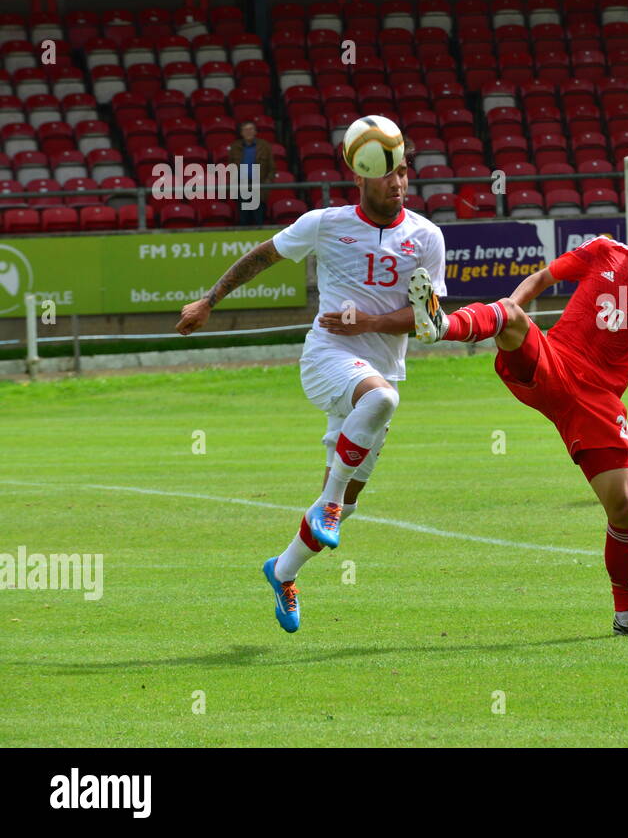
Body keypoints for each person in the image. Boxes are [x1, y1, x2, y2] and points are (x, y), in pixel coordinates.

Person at [407, 187, 628, 635]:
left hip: (598, 401)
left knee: (624, 509)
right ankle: (441, 324)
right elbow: (543, 278)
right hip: (553, 363)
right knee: (511, 314)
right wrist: (509, 311)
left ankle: (627, 616)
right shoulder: (605, 251)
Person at [175, 146, 446, 633]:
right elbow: (264, 255)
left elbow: (427, 316)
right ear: (362, 177)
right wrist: (209, 301)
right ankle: (329, 504)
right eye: (388, 174)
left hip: (382, 367)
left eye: (403, 171)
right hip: (328, 358)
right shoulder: (325, 222)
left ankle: (282, 572)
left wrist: (374, 322)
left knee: (347, 504)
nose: (399, 182)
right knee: (379, 404)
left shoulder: (427, 236)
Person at [227, 120, 274, 226]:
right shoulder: (235, 147)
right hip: (241, 187)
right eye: (245, 130)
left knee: (259, 220)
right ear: (241, 133)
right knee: (243, 220)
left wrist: (265, 184)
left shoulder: (264, 146)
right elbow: (230, 167)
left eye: (251, 129)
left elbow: (272, 168)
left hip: (259, 187)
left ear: (255, 131)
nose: (248, 132)